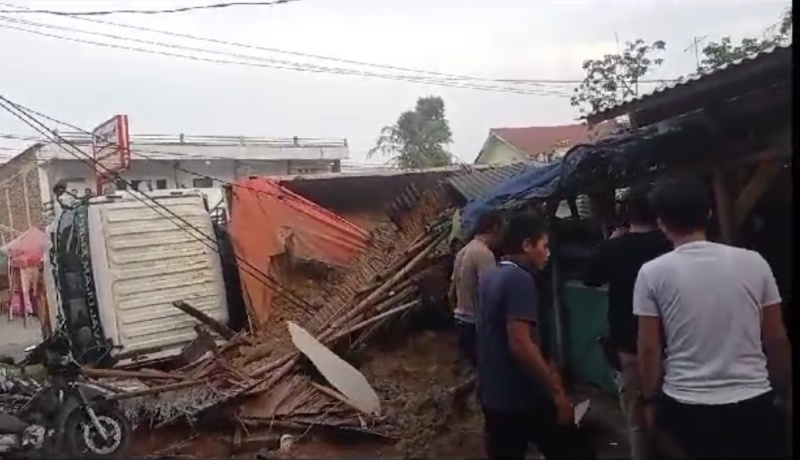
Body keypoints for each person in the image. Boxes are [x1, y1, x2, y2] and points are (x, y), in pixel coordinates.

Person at [634, 176, 791, 459]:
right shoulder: (754, 262)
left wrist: (648, 398)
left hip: (687, 404)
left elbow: (649, 347)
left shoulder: (651, 273)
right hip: (754, 401)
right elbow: (776, 337)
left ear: (661, 223)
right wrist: (782, 390)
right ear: (708, 214)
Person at [477, 212, 595, 460]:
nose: (548, 253)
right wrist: (555, 391)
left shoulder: (491, 276)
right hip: (524, 396)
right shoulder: (520, 279)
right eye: (544, 246)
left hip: (495, 396)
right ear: (526, 245)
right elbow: (520, 342)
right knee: (576, 450)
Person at [583, 182, 672, 460]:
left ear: (627, 214)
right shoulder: (670, 244)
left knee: (637, 423)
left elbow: (590, 277)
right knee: (675, 419)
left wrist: (610, 241)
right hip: (674, 344)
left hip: (628, 347)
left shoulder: (615, 248)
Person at [449, 209, 502, 367]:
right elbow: (491, 293)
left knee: (476, 367)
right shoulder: (484, 254)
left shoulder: (463, 252)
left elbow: (451, 291)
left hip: (461, 320)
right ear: (493, 228)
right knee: (488, 370)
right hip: (476, 324)